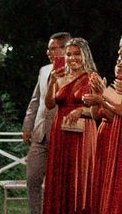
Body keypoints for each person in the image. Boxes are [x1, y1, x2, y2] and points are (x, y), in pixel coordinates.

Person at [43, 37, 97, 214]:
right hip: (60, 131)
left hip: (83, 133)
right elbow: (50, 104)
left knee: (79, 177)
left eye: (76, 54)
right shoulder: (59, 77)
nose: (72, 58)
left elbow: (99, 109)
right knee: (61, 177)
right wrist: (51, 82)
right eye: (68, 54)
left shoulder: (92, 78)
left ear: (84, 55)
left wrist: (81, 110)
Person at [21, 32, 71, 214]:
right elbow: (35, 101)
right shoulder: (44, 70)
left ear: (64, 49)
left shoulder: (74, 72)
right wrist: (28, 125)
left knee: (58, 183)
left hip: (62, 134)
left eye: (52, 48)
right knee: (32, 178)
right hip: (40, 134)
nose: (48, 52)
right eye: (48, 48)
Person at [84, 36, 122, 214]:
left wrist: (101, 96)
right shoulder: (115, 88)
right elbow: (97, 115)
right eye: (119, 56)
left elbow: (119, 111)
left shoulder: (112, 92)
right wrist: (97, 99)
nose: (120, 60)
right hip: (108, 139)